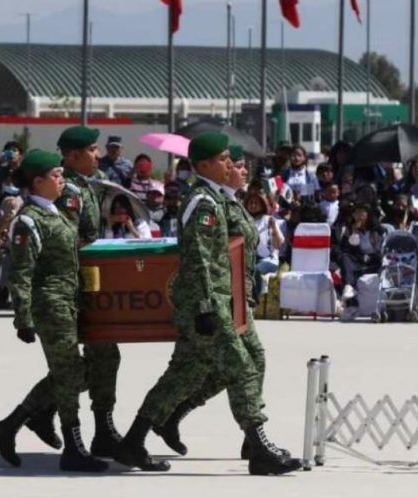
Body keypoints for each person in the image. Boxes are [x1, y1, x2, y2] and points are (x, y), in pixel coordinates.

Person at [116, 133, 302, 475]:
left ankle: (133, 441)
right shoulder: (202, 202)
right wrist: (204, 307)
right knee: (240, 366)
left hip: (219, 300)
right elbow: (200, 258)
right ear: (203, 165)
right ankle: (259, 447)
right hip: (208, 303)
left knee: (183, 375)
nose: (229, 164)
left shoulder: (213, 198)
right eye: (222, 160)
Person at [0, 127, 124, 466]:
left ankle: (11, 425)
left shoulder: (53, 213)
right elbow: (21, 272)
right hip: (50, 303)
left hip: (68, 299)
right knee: (71, 374)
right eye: (56, 175)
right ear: (37, 181)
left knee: (76, 371)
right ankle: (73, 448)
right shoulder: (30, 221)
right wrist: (24, 318)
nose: (62, 180)